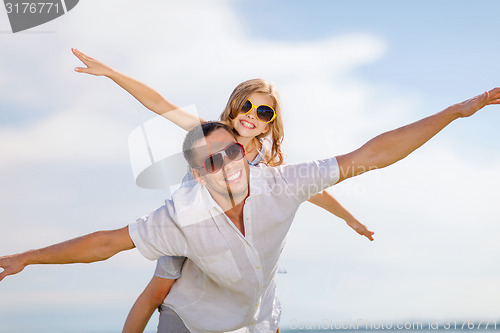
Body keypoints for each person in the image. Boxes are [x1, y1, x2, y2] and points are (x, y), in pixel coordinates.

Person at [1, 89, 499, 332]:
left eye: (234, 152)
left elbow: (370, 156)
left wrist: (456, 111)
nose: (228, 164)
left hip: (252, 314)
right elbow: (106, 242)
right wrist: (26, 257)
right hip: (191, 319)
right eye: (213, 160)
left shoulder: (280, 180)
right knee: (160, 290)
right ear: (198, 173)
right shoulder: (180, 215)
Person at [71, 49, 374, 332]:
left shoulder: (264, 158)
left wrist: (349, 218)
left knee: (264, 297)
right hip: (192, 224)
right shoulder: (210, 132)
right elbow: (161, 104)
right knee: (158, 291)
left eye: (263, 112)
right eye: (247, 105)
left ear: (269, 125)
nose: (252, 114)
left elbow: (312, 188)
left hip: (233, 236)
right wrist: (112, 74)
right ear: (234, 105)